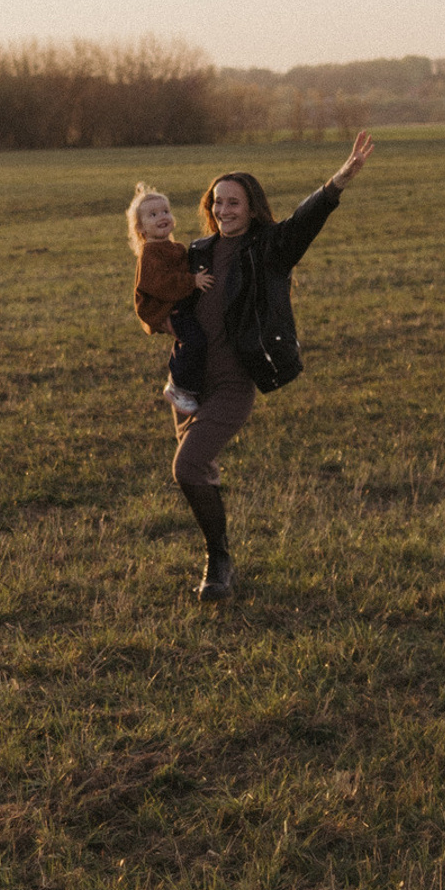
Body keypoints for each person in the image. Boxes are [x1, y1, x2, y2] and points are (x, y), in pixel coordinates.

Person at [171, 132, 374, 601]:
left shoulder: (269, 248)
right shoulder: (199, 251)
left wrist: (337, 182)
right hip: (187, 381)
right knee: (199, 471)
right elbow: (166, 296)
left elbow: (304, 221)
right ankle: (220, 558)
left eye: (234, 202)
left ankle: (217, 560)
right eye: (217, 202)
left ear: (252, 207)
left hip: (233, 382)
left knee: (189, 466)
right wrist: (160, 319)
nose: (224, 210)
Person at [127, 183, 215, 412]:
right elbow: (161, 284)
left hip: (179, 305)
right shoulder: (150, 252)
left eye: (165, 211)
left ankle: (192, 385)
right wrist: (192, 281)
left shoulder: (173, 247)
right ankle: (178, 386)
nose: (162, 217)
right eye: (153, 215)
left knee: (191, 339)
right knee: (194, 340)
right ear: (141, 228)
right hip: (166, 308)